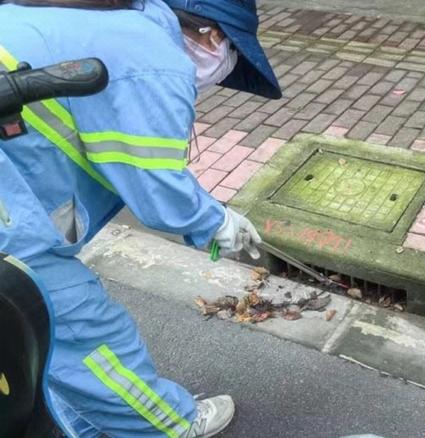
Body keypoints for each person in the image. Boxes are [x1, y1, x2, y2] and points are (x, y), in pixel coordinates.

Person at [0, 0, 281, 436]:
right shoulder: (153, 57)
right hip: (10, 224)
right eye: (232, 53)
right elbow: (154, 183)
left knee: (43, 337)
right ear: (211, 35)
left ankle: (86, 424)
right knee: (85, 332)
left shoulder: (104, 25)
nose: (223, 68)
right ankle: (171, 426)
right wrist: (215, 222)